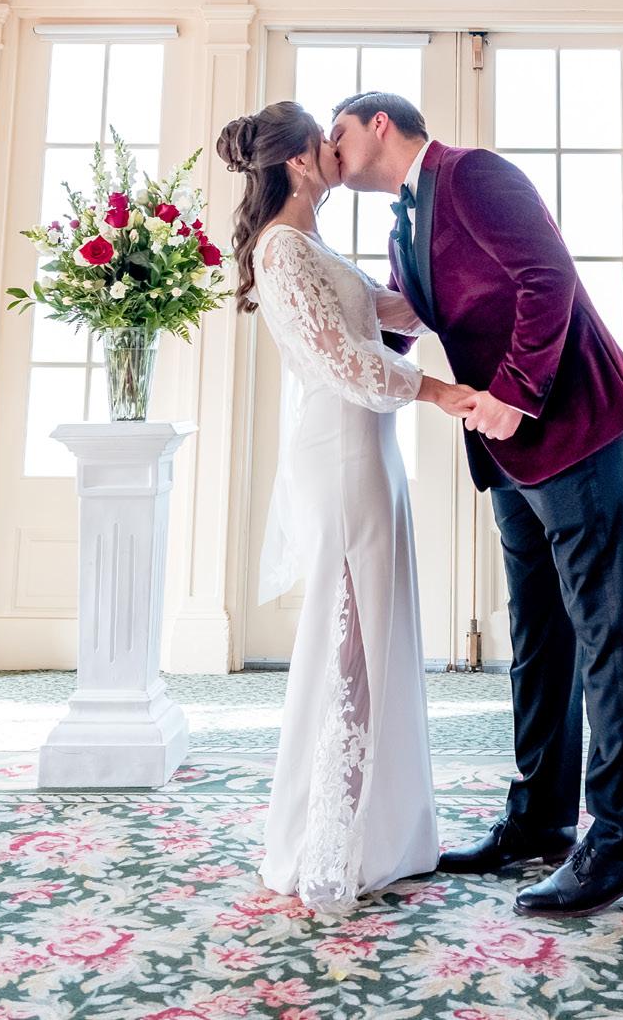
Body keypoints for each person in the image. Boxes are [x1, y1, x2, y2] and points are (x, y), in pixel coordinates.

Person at [327, 90, 623, 919]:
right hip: (506, 447)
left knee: (604, 629)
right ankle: (540, 818)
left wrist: (512, 391)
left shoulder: (473, 173)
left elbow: (548, 277)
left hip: (572, 421)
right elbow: (407, 323)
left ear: (379, 123)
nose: (329, 148)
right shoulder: (401, 227)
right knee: (537, 635)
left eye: (337, 132)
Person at [218, 100, 480, 913]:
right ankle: (327, 838)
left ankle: (382, 828)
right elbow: (345, 362)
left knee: (375, 631)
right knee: (347, 636)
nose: (338, 147)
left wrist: (459, 261)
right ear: (299, 161)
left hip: (370, 450)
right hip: (339, 450)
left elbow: (396, 312)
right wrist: (441, 391)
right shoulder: (281, 249)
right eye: (326, 139)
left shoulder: (314, 245)